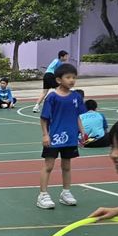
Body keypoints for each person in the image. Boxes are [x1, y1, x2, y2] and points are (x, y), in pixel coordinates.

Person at [37, 63, 84, 209]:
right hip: (54, 137)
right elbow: (44, 118)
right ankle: (43, 195)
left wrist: (82, 132)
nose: (72, 80)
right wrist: (45, 135)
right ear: (58, 80)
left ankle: (66, 192)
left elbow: (77, 116)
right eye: (68, 77)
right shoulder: (52, 97)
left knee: (67, 166)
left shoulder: (76, 96)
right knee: (49, 166)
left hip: (70, 137)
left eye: (74, 77)